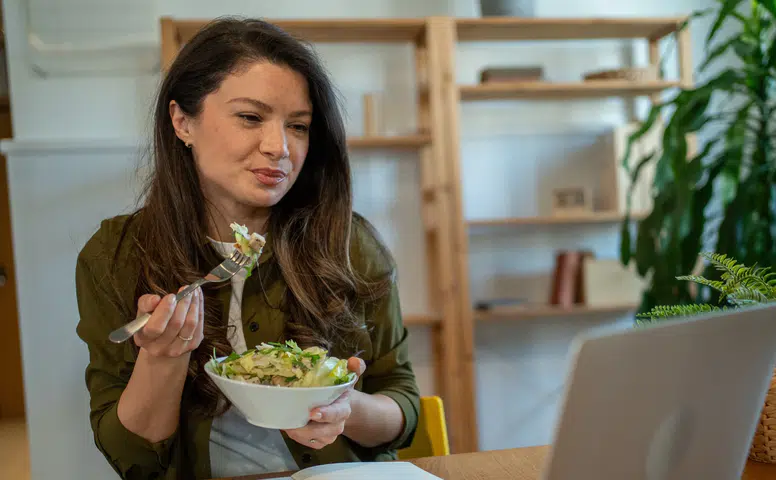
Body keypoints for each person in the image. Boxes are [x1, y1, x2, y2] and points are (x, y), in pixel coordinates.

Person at [74, 16, 420, 480]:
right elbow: (131, 457)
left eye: (298, 126)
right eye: (250, 117)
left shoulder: (348, 242)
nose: (279, 147)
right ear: (182, 122)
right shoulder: (114, 255)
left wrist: (343, 409)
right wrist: (163, 358)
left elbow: (402, 407)